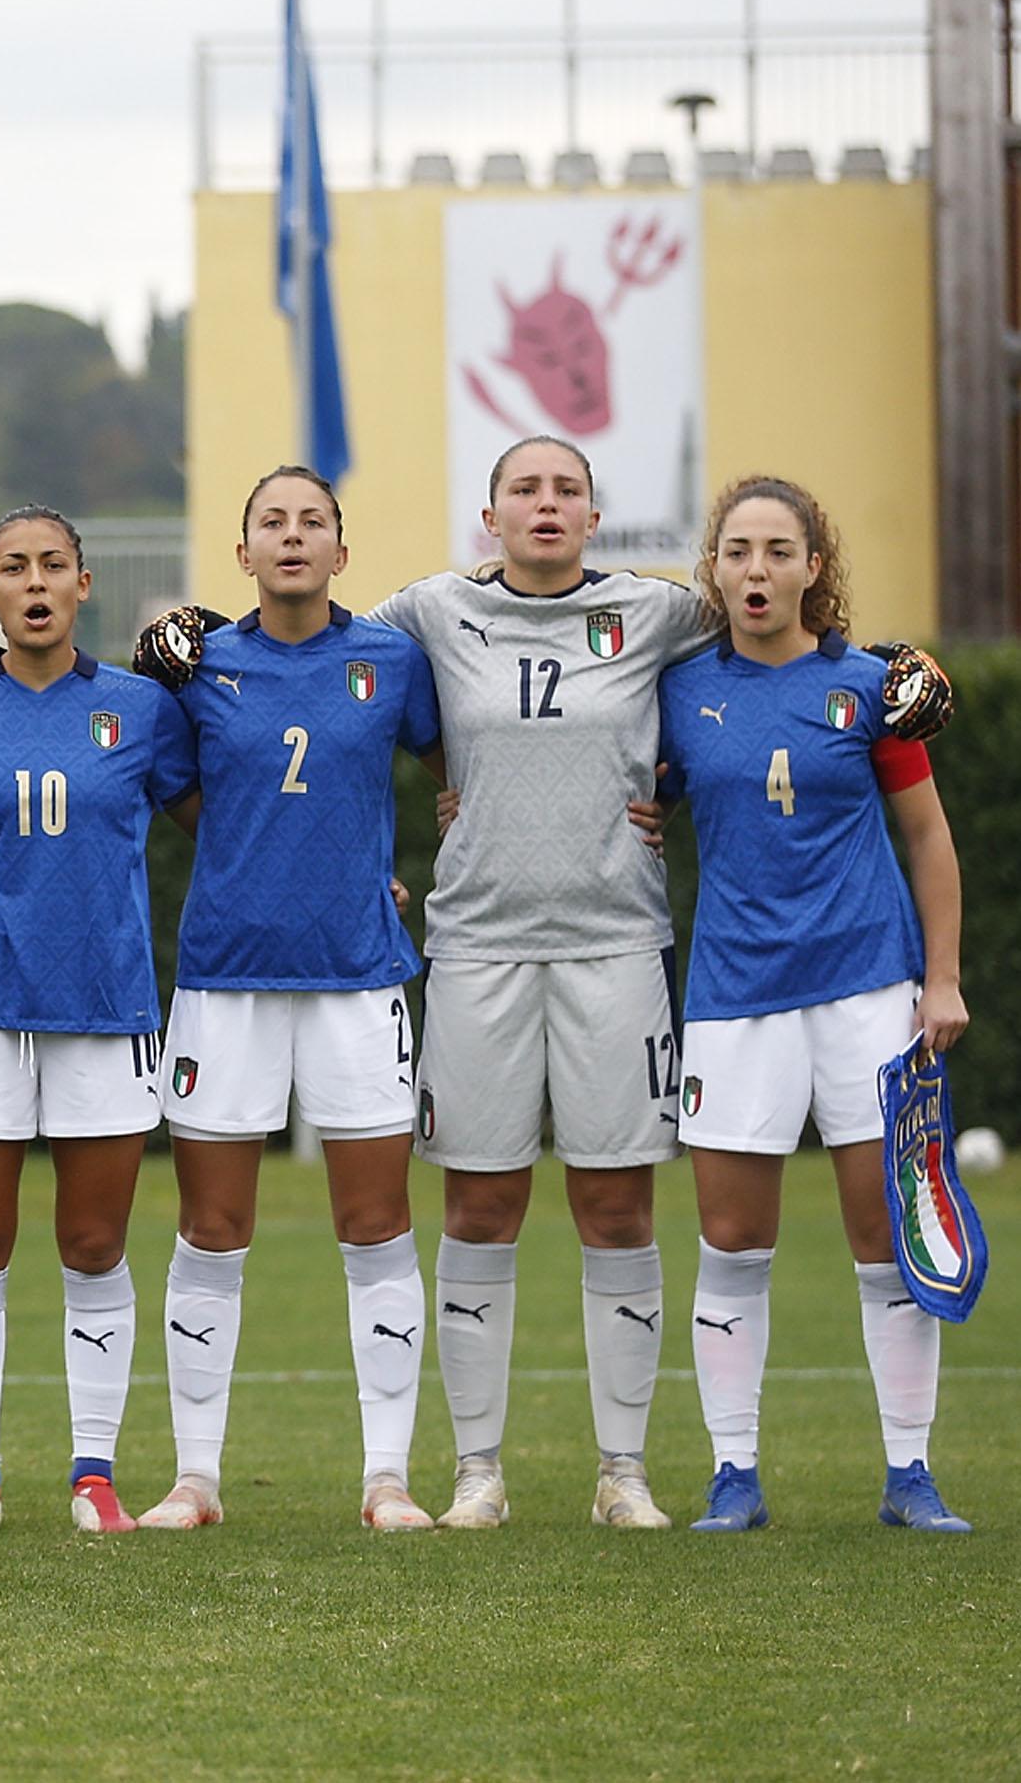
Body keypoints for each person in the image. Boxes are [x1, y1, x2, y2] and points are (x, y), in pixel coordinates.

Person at [362, 435, 710, 1530]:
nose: (547, 505)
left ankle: (624, 1475)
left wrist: (685, 782)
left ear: (595, 516)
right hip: (476, 946)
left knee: (616, 1203)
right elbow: (319, 667)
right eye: (527, 490)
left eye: (567, 491)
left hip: (616, 942)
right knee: (481, 1200)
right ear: (491, 516)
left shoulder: (659, 613)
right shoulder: (429, 610)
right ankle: (479, 1475)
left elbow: (765, 654)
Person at [657, 476, 973, 1534]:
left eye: (778, 551)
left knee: (884, 1239)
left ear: (813, 567)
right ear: (714, 570)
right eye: (738, 552)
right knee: (733, 1241)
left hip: (866, 989)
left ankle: (910, 1473)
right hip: (736, 994)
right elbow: (623, 792)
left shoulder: (876, 688)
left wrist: (943, 977)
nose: (757, 570)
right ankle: (733, 1474)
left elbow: (928, 837)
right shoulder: (678, 692)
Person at [131, 466, 442, 1532]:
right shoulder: (201, 668)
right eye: (274, 522)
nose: (294, 536)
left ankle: (387, 1479)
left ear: (343, 553)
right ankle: (195, 1481)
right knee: (211, 1227)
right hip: (225, 980)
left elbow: (454, 765)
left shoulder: (392, 661)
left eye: (314, 522)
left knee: (378, 1224)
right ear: (243, 553)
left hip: (360, 977)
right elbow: (172, 794)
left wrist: (361, 860)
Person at [0, 507, 195, 1537]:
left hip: (106, 1007)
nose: (32, 582)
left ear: (83, 586)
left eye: (51, 566)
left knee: (95, 1244)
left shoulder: (144, 710)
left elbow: (226, 813)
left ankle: (94, 1475)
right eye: (12, 568)